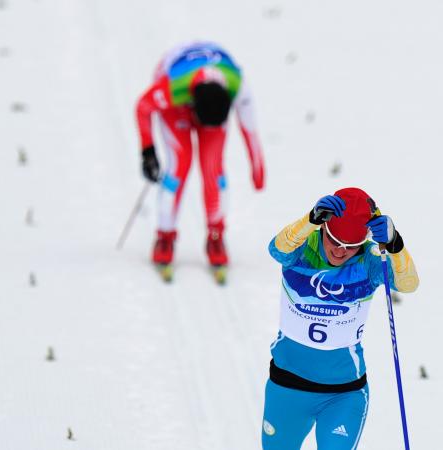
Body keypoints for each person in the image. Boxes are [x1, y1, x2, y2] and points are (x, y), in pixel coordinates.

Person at [261, 187, 419, 449]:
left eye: (350, 246)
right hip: (287, 386)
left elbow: (408, 283)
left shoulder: (369, 261)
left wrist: (395, 245)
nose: (340, 251)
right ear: (323, 228)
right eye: (335, 241)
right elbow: (276, 250)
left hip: (344, 393)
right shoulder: (301, 249)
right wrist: (309, 219)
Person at [135, 41, 265, 270]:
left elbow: (250, 128)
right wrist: (148, 151)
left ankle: (216, 235)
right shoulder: (173, 87)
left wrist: (257, 168)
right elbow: (143, 107)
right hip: (179, 104)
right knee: (179, 165)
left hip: (209, 96)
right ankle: (165, 235)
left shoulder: (238, 87)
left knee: (212, 169)